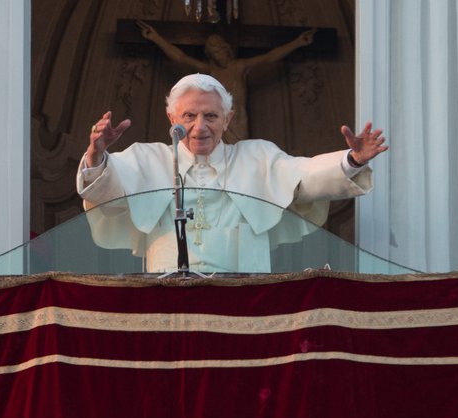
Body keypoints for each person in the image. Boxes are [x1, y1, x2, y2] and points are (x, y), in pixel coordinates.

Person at [77, 73, 387, 273]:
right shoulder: (146, 159)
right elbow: (104, 191)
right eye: (189, 115)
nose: (200, 126)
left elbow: (304, 177)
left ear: (229, 119)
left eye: (211, 116)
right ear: (171, 117)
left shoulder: (257, 157)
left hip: (244, 297)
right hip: (167, 296)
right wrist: (96, 154)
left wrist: (353, 160)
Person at [136, 21, 316, 141]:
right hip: (217, 122)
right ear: (210, 56)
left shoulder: (240, 66)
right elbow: (181, 58)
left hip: (238, 121)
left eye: (220, 50)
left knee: (238, 159)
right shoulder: (210, 71)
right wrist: (156, 38)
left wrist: (298, 43)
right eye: (214, 53)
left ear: (226, 49)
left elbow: (270, 57)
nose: (219, 55)